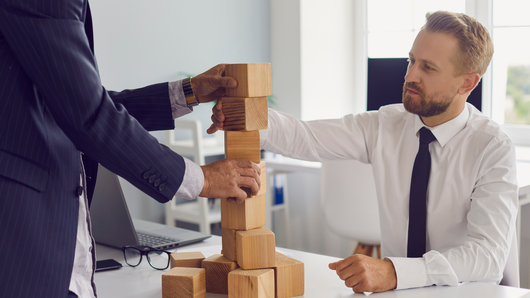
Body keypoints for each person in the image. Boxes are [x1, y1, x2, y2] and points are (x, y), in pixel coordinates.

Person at [209, 11, 518, 293]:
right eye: (411, 60)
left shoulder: (492, 147)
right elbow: (305, 137)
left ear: (468, 82)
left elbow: (487, 255)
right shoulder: (386, 123)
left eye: (428, 67)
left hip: (467, 291)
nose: (410, 75)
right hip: (398, 292)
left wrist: (396, 272)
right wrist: (245, 115)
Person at [0, 1, 262, 298]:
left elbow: (74, 102)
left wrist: (187, 92)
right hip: (23, 248)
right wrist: (205, 179)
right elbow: (88, 114)